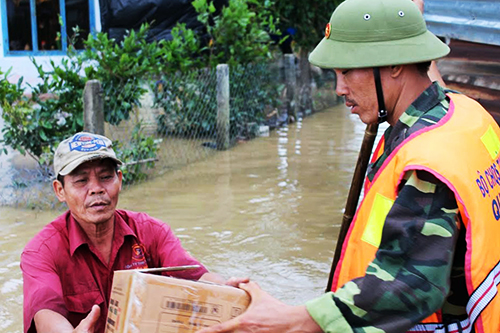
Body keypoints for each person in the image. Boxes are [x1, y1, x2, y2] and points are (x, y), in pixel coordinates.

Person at [197, 0, 500, 332]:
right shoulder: (466, 114)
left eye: (347, 71)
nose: (340, 89)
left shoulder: (427, 163)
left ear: (396, 65)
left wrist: (295, 321)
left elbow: (408, 287)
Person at [21, 132, 247, 333]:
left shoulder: (152, 232)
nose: (97, 188)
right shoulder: (41, 252)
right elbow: (46, 313)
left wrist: (224, 292)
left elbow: (196, 278)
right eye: (81, 180)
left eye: (106, 177)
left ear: (119, 180)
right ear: (60, 190)